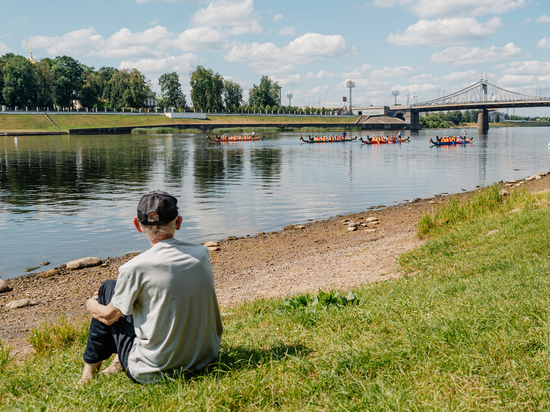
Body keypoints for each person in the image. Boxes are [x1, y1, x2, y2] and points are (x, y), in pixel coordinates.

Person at [79, 191, 223, 385]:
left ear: (137, 226)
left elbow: (108, 316)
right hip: (205, 359)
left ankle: (87, 375)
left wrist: (90, 304)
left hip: (154, 370)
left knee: (107, 289)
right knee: (120, 291)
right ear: (178, 222)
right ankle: (116, 363)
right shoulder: (201, 253)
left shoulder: (135, 267)